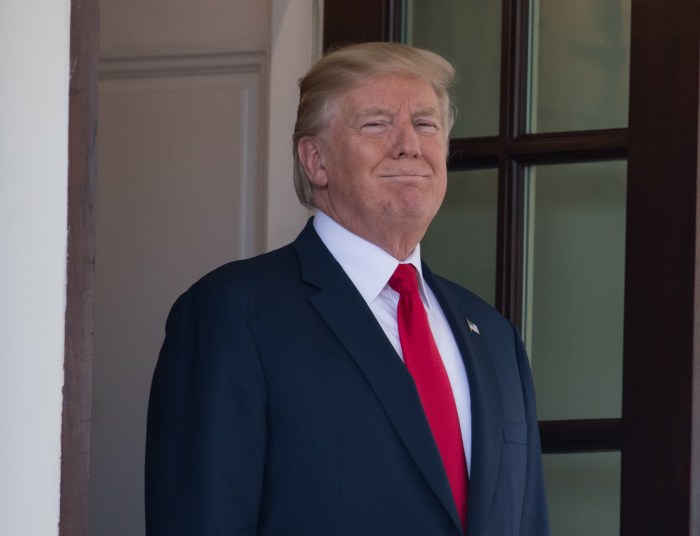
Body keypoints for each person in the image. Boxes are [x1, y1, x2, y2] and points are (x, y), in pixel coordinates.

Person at [145, 42, 549, 535]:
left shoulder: (495, 336)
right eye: (377, 124)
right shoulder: (234, 314)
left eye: (426, 124)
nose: (409, 144)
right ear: (316, 161)